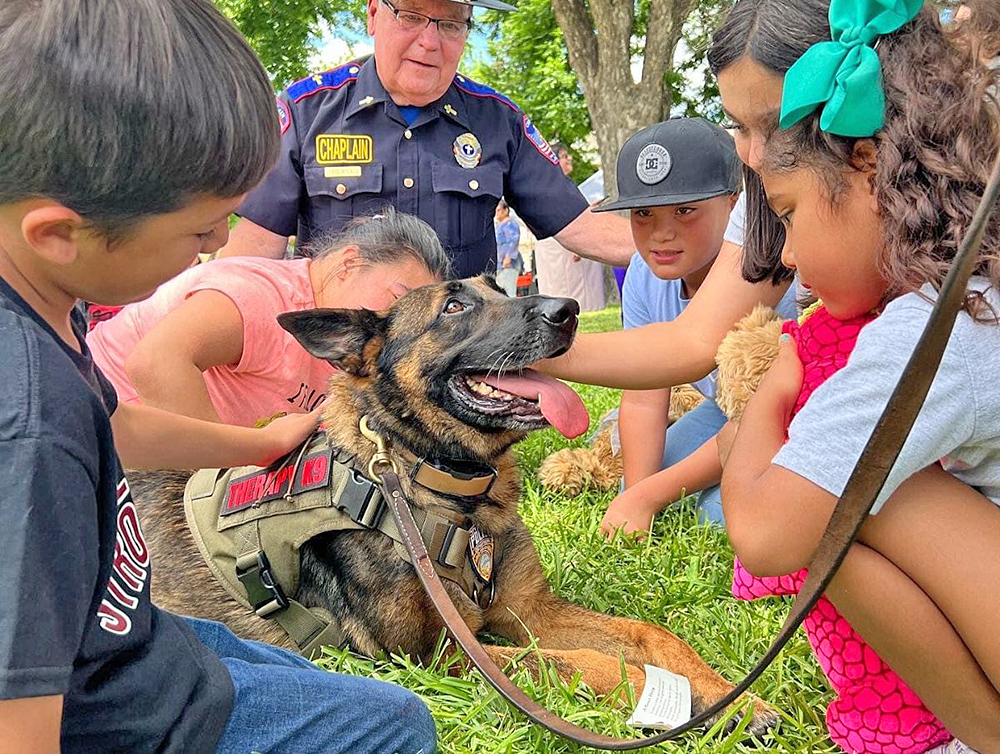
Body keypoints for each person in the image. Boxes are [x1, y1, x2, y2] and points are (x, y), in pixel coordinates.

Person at [0, 2, 438, 753]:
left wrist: (254, 448)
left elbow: (119, 423)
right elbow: (20, 715)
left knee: (294, 665)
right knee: (397, 722)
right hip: (113, 709)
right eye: (200, 231)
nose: (217, 247)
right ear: (59, 233)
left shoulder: (48, 307)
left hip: (128, 634)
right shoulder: (30, 429)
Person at [708, 0, 1000, 751]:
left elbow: (766, 535)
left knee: (855, 500)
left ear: (867, 169)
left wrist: (771, 397)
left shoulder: (937, 330)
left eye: (791, 211)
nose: (792, 257)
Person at [217, 0, 634, 277]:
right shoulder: (307, 112)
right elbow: (254, 251)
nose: (429, 42)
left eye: (451, 24)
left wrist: (692, 253)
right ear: (373, 14)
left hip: (461, 362)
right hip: (340, 364)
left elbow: (581, 228)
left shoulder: (497, 121)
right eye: (411, 15)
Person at [595, 118, 797, 539]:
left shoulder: (768, 270)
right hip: (722, 413)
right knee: (635, 483)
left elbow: (764, 416)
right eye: (643, 213)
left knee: (716, 515)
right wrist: (636, 494)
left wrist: (653, 496)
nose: (662, 233)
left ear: (735, 203)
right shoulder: (642, 275)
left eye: (685, 210)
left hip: (788, 418)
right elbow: (644, 398)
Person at [88, 209, 447, 426]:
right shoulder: (261, 296)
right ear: (349, 263)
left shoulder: (354, 345)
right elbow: (154, 363)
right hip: (106, 421)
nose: (399, 325)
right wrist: (225, 476)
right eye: (397, 299)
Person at [533, 143, 608, 312]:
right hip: (559, 245)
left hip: (572, 241)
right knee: (565, 288)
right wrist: (576, 244)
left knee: (582, 287)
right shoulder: (547, 186)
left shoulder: (566, 185)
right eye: (564, 156)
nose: (569, 159)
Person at [493, 199, 521, 296]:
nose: (497, 213)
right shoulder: (499, 226)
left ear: (506, 210)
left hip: (508, 264)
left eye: (499, 210)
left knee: (509, 292)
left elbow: (513, 240)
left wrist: (508, 257)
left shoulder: (510, 224)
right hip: (500, 264)